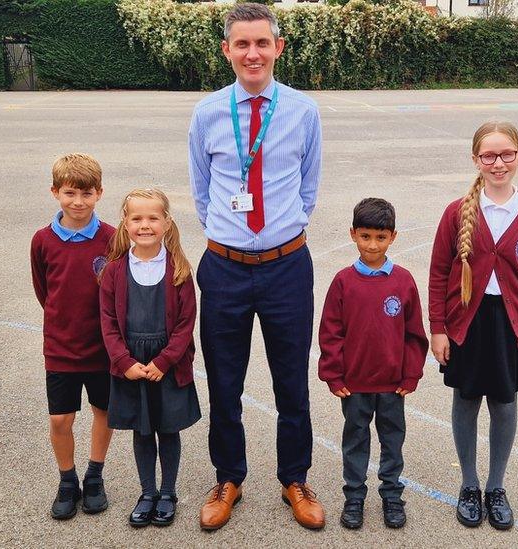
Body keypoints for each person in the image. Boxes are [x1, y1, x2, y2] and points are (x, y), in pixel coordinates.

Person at [187, 2, 324, 531]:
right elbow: (203, 191)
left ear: (278, 48)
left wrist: (278, 232)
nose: (252, 53)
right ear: (227, 51)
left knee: (292, 380)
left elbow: (308, 187)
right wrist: (233, 236)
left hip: (287, 266)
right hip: (223, 268)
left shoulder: (304, 111)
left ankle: (294, 477)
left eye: (261, 43)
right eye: (241, 44)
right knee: (224, 381)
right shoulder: (206, 114)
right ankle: (229, 477)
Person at [428, 121, 518, 531]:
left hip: (510, 325)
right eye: (488, 156)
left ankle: (496, 487)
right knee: (465, 400)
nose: (498, 163)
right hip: (466, 321)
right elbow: (438, 273)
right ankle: (469, 485)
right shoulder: (456, 212)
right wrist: (438, 327)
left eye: (506, 155)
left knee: (503, 403)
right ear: (475, 159)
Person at [318, 198, 428, 530]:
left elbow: (414, 334)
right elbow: (330, 332)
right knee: (355, 440)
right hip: (355, 385)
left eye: (380, 238)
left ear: (393, 237)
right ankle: (354, 497)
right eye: (365, 236)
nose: (372, 245)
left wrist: (411, 374)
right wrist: (333, 375)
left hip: (393, 385)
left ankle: (392, 496)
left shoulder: (403, 281)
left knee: (392, 441)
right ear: (353, 234)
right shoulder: (342, 281)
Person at [99, 188, 202, 528]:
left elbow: (186, 323)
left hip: (166, 367)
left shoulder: (179, 270)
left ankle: (168, 492)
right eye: (137, 218)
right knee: (142, 433)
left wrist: (165, 361)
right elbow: (108, 323)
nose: (145, 225)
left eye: (153, 218)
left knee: (168, 430)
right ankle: (147, 492)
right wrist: (124, 362)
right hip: (132, 366)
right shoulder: (114, 271)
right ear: (125, 223)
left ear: (167, 223)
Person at [30, 153, 116, 520]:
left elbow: (118, 291)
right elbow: (43, 291)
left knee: (105, 411)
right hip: (61, 348)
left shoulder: (113, 238)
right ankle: (68, 480)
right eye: (69, 194)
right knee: (60, 420)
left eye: (86, 193)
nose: (77, 202)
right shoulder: (43, 240)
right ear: (55, 193)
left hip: (103, 348)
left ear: (99, 193)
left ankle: (94, 476)